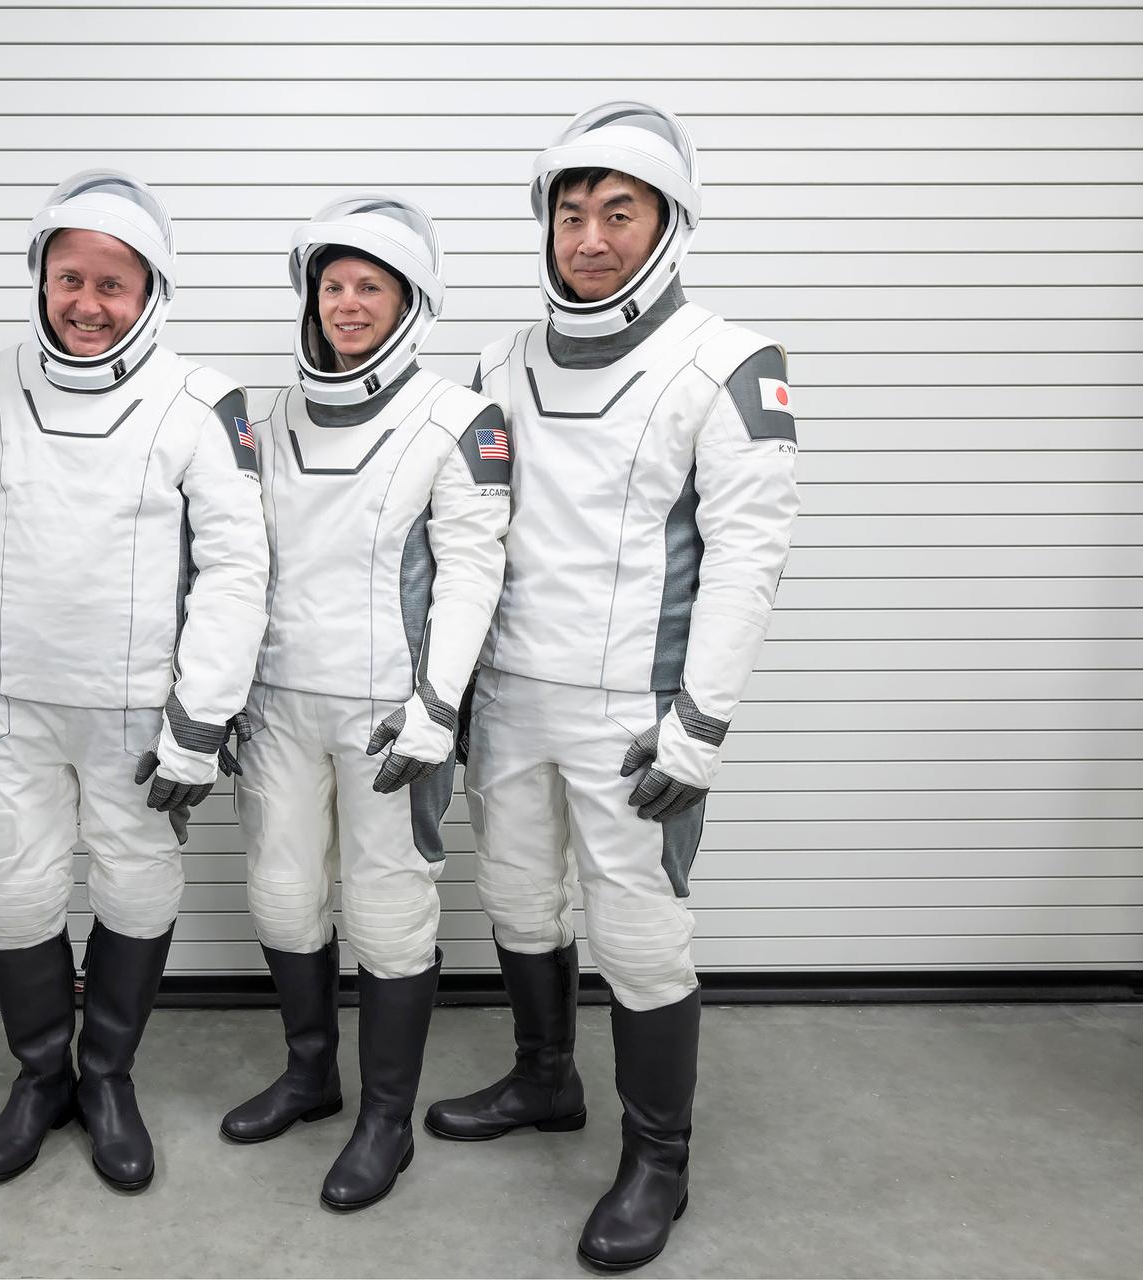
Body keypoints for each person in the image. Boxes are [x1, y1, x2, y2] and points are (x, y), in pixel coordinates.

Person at [426, 102, 801, 1272]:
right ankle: (546, 1079)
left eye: (616, 214)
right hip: (511, 699)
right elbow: (460, 537)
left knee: (641, 941)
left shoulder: (731, 363)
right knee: (524, 906)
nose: (587, 238)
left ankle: (658, 1159)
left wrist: (700, 727)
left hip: (637, 719)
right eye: (570, 213)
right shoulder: (497, 362)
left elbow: (749, 553)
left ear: (669, 224)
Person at [0, 170, 267, 1193]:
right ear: (41, 279)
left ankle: (106, 1075)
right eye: (71, 277)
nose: (89, 303)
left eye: (114, 282)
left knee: (136, 885)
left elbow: (238, 566)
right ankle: (37, 1078)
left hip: (141, 716)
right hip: (9, 706)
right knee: (12, 892)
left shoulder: (201, 403)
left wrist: (201, 719)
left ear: (151, 290)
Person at [220, 195, 512, 1212]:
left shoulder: (459, 420)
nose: (347, 303)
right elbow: (225, 565)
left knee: (389, 917)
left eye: (369, 287)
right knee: (284, 896)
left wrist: (438, 706)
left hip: (392, 718)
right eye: (333, 285)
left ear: (410, 303)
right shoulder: (262, 421)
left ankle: (385, 1118)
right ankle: (311, 1072)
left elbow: (475, 571)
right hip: (279, 707)